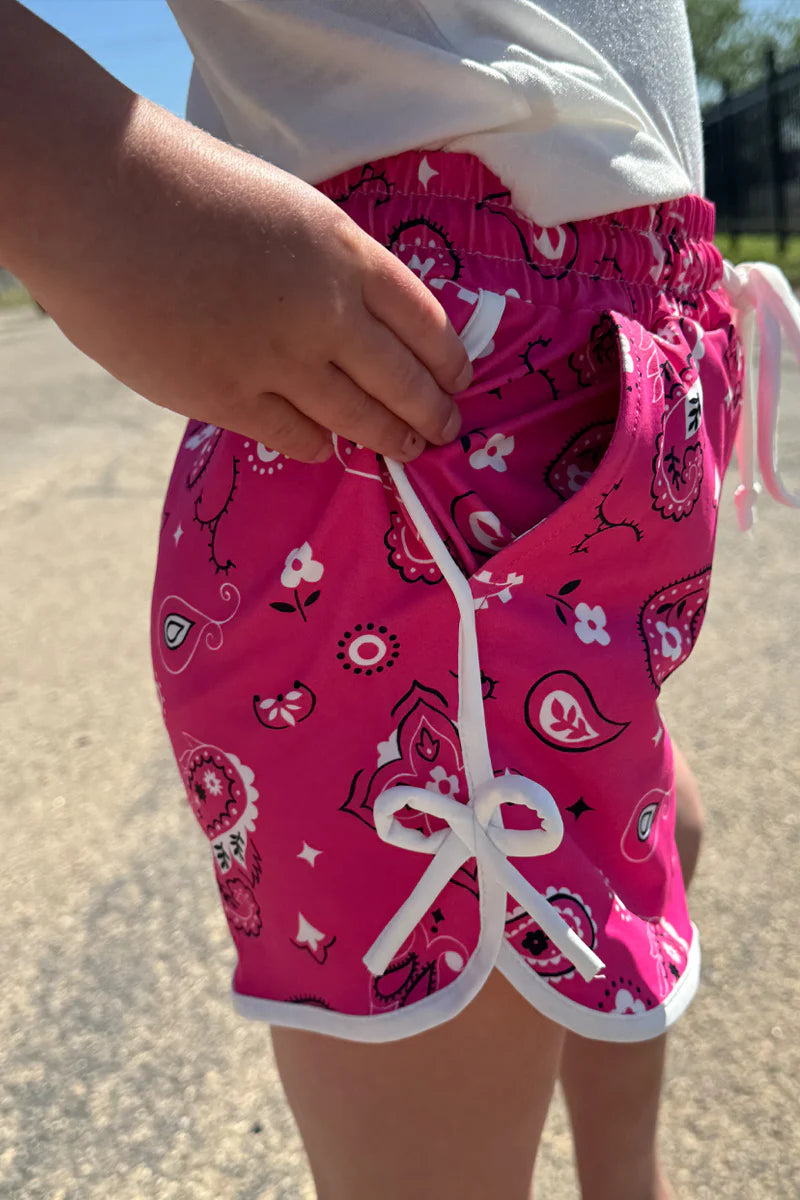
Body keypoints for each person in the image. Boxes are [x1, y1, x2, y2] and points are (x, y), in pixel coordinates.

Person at [2, 3, 798, 1198]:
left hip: (637, 335)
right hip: (411, 364)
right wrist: (66, 165)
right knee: (433, 1033)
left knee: (642, 832)